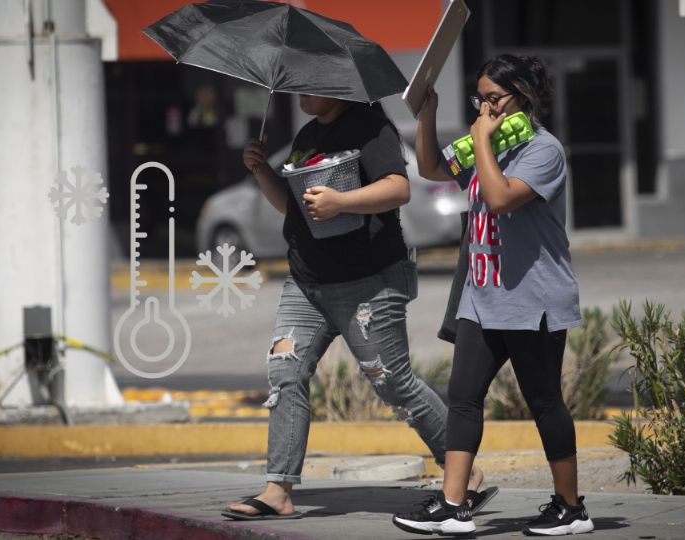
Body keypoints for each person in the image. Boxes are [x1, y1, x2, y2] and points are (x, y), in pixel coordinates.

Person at [223, 94, 487, 520]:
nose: (301, 93)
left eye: (311, 84)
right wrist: (261, 170)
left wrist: (341, 202)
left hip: (367, 282)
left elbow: (398, 189)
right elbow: (294, 206)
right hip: (307, 282)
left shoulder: (371, 128)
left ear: (337, 86)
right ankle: (278, 489)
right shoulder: (308, 135)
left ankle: (465, 472)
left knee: (393, 382)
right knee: (285, 373)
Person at [392, 54, 596, 536]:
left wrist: (482, 139)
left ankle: (571, 509)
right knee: (462, 397)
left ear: (521, 98)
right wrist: (428, 114)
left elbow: (501, 197)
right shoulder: (487, 144)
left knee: (545, 401)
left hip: (534, 300)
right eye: (479, 98)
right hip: (482, 297)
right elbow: (430, 167)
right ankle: (452, 505)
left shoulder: (544, 151)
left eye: (493, 99)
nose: (484, 107)